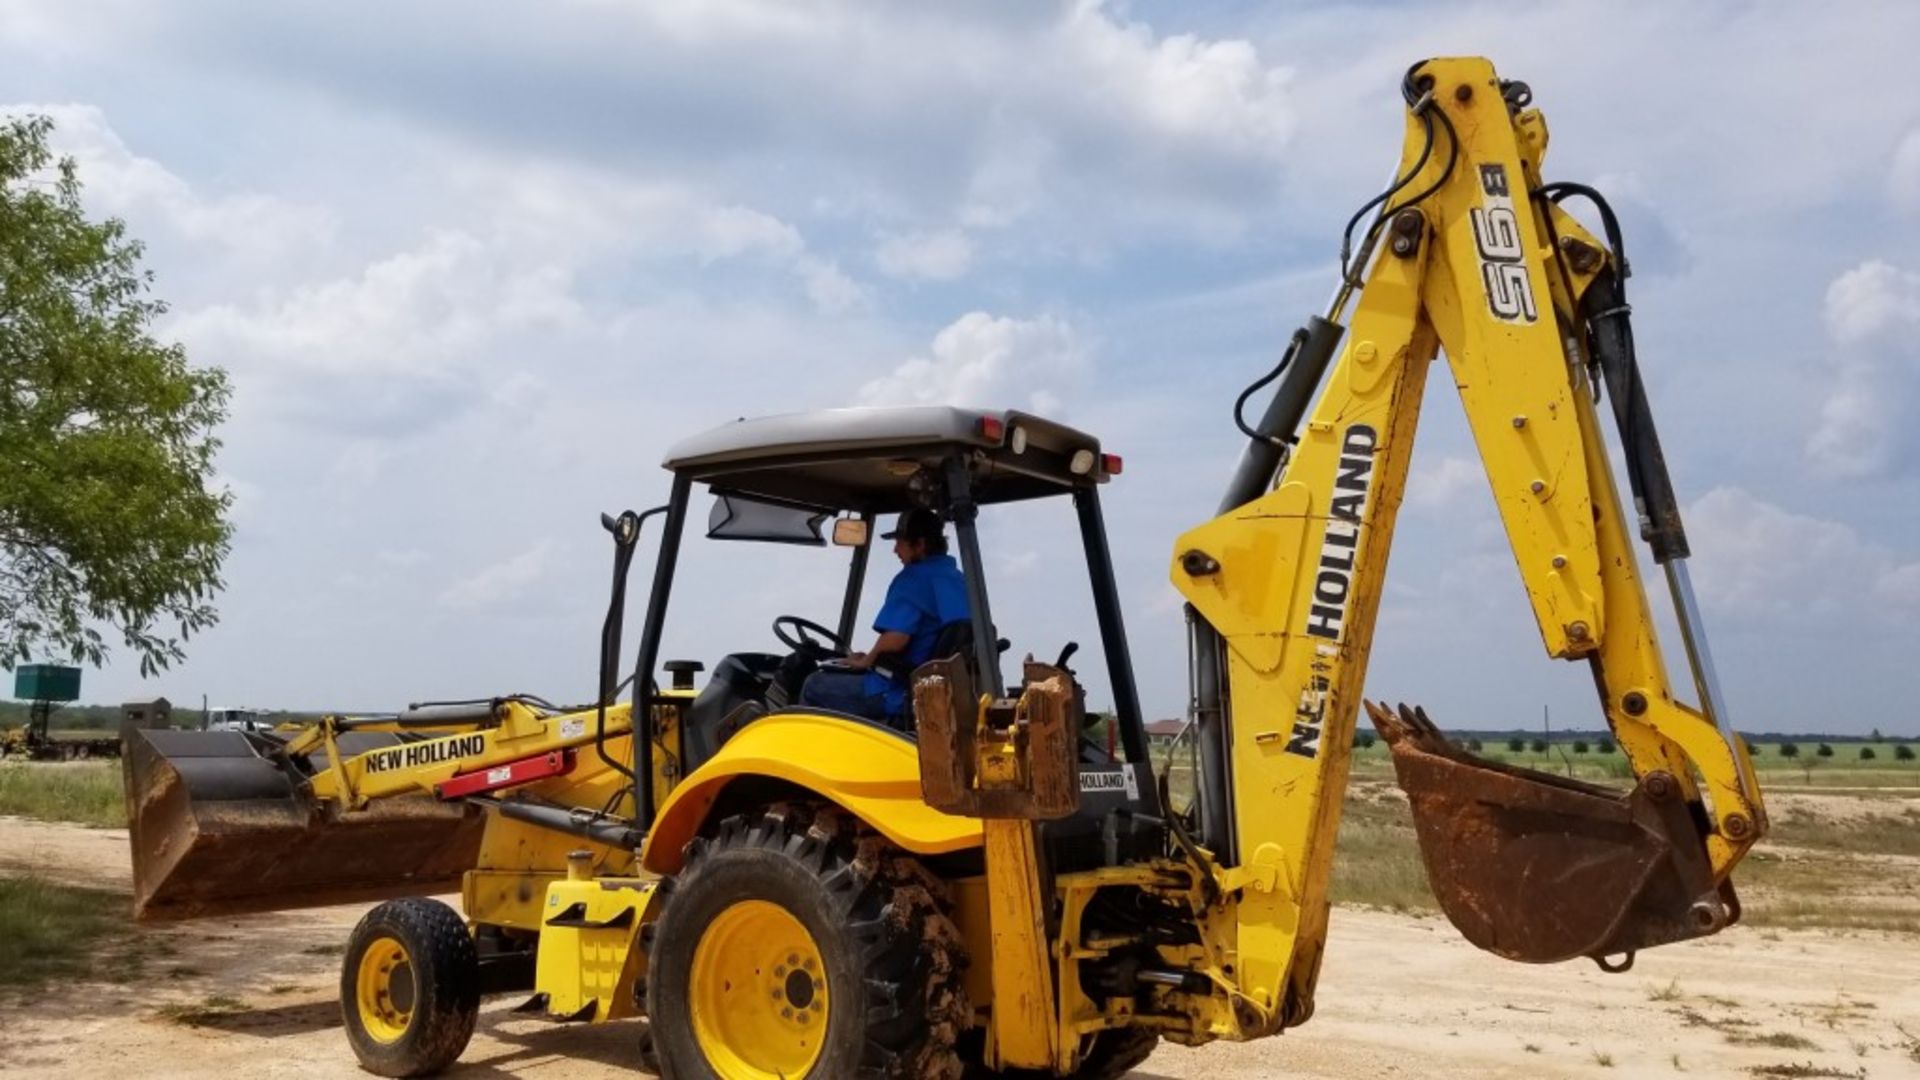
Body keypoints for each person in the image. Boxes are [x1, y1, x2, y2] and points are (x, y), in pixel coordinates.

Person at [799, 508, 969, 724]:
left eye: (900, 542)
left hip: (899, 692)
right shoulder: (958, 579)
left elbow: (896, 640)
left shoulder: (913, 579)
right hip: (937, 692)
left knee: (813, 685)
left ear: (920, 544)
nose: (895, 550)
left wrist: (865, 662)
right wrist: (868, 659)